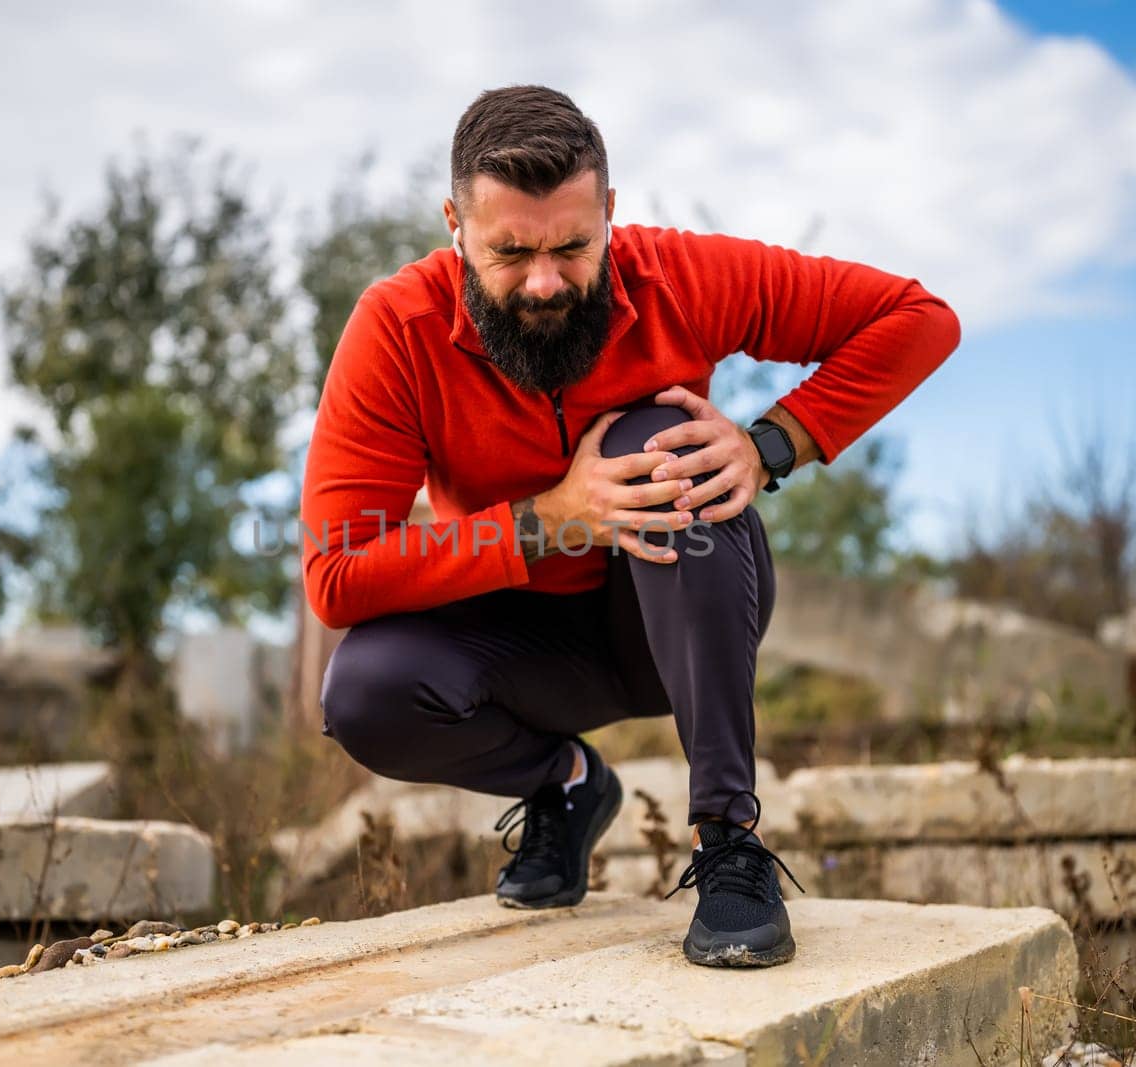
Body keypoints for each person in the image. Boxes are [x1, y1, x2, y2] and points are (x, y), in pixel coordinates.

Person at [300, 84, 960, 967]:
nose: (544, 282)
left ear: (610, 213)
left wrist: (770, 445)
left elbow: (918, 318)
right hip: (513, 647)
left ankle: (728, 843)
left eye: (574, 246)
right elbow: (338, 576)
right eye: (510, 252)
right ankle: (567, 788)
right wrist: (554, 518)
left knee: (665, 443)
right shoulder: (397, 327)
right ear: (454, 223)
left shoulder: (681, 276)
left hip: (673, 620)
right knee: (362, 695)